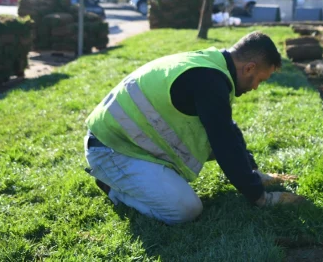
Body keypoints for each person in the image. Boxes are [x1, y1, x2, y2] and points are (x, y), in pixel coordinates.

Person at [84, 31, 304, 225]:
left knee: (224, 132)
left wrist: (254, 174)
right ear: (249, 68)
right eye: (260, 80)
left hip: (131, 141)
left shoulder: (213, 66)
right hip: (111, 150)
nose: (256, 87)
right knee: (186, 210)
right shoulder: (209, 80)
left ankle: (141, 177)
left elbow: (227, 130)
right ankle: (114, 189)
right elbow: (224, 144)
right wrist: (260, 197)